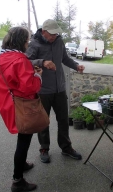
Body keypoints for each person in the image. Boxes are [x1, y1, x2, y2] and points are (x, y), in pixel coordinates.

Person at [26, 19, 85, 163]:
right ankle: (44, 148)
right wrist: (42, 62)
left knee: (63, 120)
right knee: (43, 121)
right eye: (52, 34)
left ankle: (66, 147)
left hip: (59, 88)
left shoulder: (59, 41)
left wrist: (76, 66)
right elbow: (26, 61)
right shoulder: (34, 43)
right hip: (43, 89)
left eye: (56, 33)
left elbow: (64, 58)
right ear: (44, 31)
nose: (54, 36)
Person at [0, 27, 42, 192]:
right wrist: (38, 76)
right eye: (27, 40)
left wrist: (29, 73)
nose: (28, 43)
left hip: (8, 103)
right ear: (21, 41)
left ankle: (22, 165)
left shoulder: (1, 58)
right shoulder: (21, 59)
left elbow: (12, 80)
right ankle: (17, 180)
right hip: (23, 105)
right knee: (24, 141)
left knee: (23, 138)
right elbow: (29, 87)